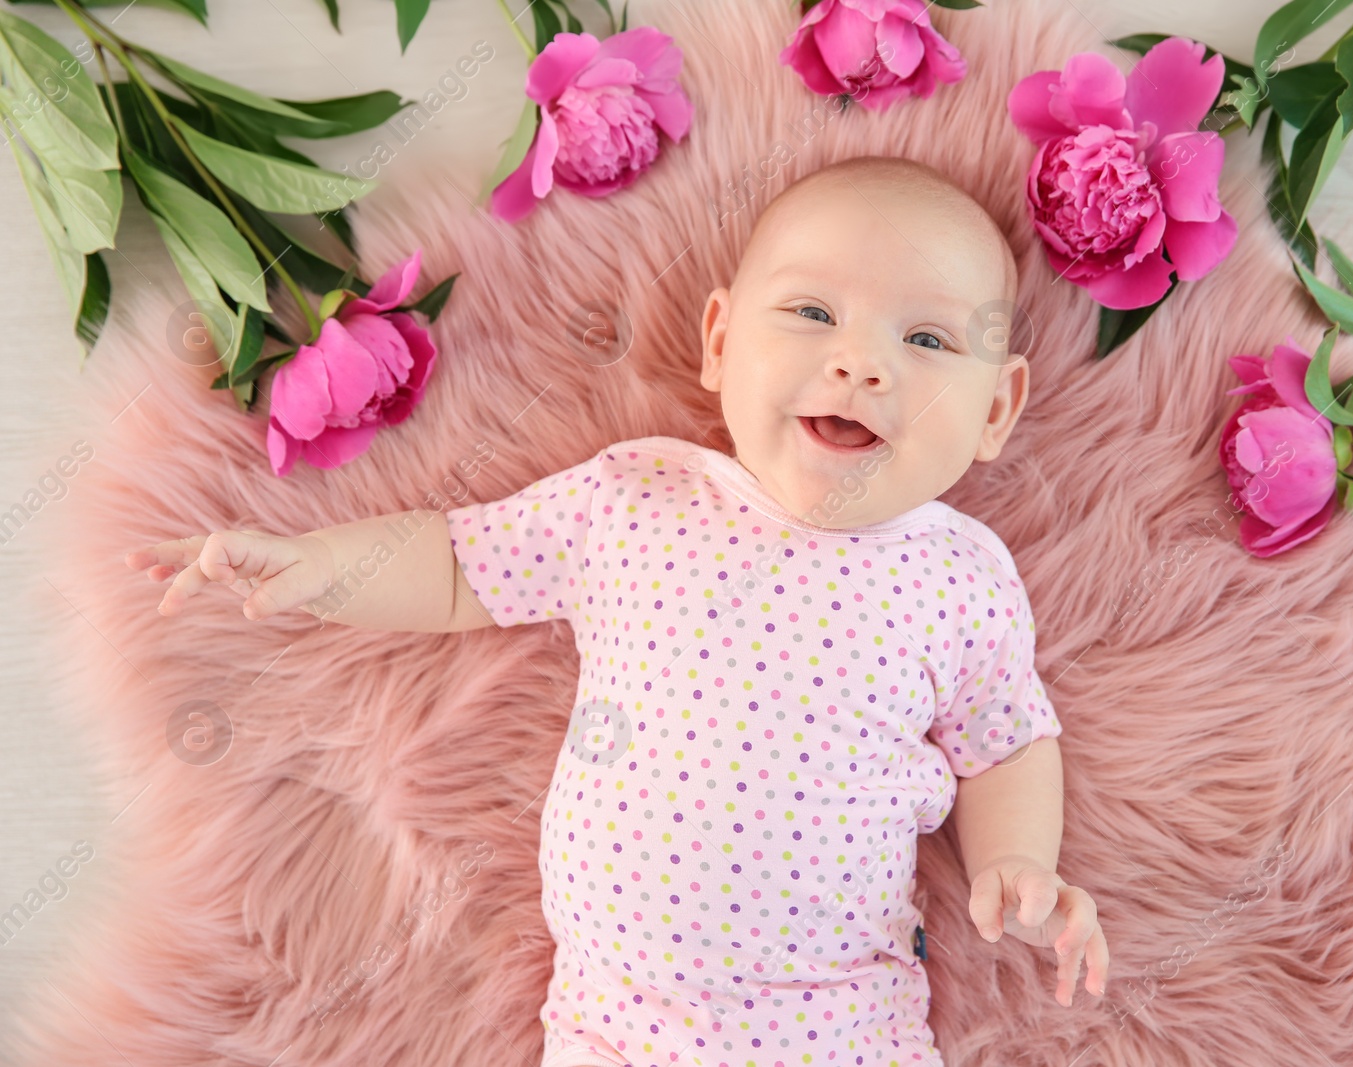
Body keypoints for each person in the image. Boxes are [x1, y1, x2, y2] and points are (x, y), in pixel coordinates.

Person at [126, 155, 1110, 1067]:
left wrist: (1018, 860)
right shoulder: (636, 499)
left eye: (927, 338)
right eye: (811, 312)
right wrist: (314, 565)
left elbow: (1008, 741)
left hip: (844, 1018)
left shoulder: (956, 577)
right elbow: (461, 564)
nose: (859, 365)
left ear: (995, 409)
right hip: (616, 1021)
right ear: (721, 342)